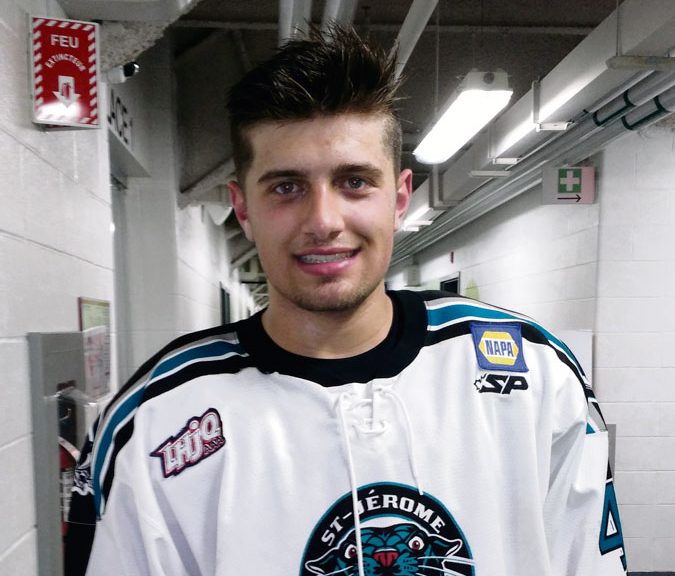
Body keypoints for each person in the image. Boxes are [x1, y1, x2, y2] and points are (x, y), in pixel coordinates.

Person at [65, 25, 627, 576]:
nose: (324, 221)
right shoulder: (153, 423)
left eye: (354, 181)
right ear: (243, 209)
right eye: (287, 187)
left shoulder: (536, 373)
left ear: (399, 198)